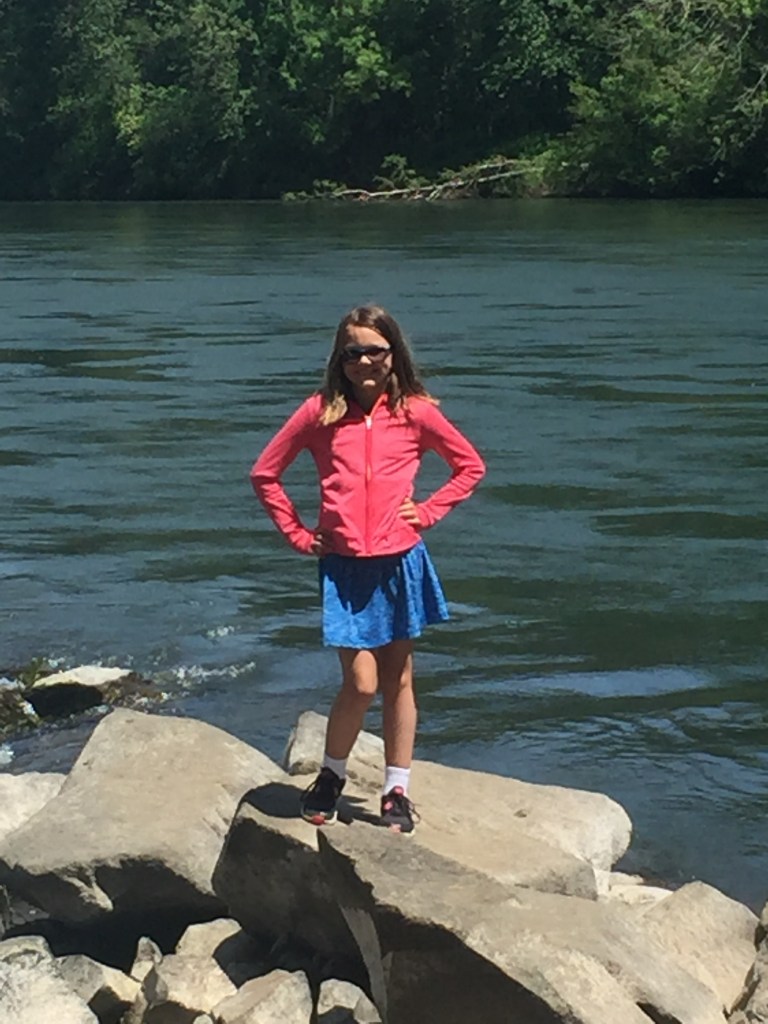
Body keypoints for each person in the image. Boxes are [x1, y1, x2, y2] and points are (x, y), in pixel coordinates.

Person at [250, 305, 485, 833]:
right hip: (344, 567)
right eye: (352, 352)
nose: (363, 361)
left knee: (398, 679)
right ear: (339, 359)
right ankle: (331, 775)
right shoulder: (319, 413)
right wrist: (298, 534)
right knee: (360, 683)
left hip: (400, 559)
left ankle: (396, 789)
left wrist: (428, 511)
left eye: (374, 351)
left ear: (393, 355)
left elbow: (469, 466)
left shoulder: (416, 412)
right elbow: (265, 474)